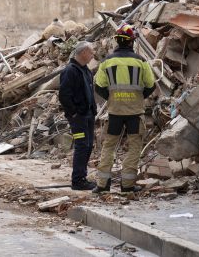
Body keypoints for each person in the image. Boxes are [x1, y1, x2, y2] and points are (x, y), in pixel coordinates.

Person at [92, 24, 156, 194]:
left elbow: (98, 87)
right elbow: (150, 85)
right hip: (135, 113)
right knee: (134, 147)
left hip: (115, 113)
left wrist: (112, 98)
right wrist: (137, 98)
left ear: (117, 42)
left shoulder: (106, 62)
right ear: (131, 42)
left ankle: (102, 185)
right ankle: (127, 186)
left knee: (109, 146)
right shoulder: (141, 62)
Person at [59, 41, 97, 190]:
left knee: (88, 146)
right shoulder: (70, 70)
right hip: (79, 117)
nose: (93, 55)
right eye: (91, 52)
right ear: (83, 52)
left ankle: (82, 177)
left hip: (88, 115)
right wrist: (74, 113)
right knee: (82, 145)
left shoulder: (85, 70)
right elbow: (64, 95)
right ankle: (78, 180)